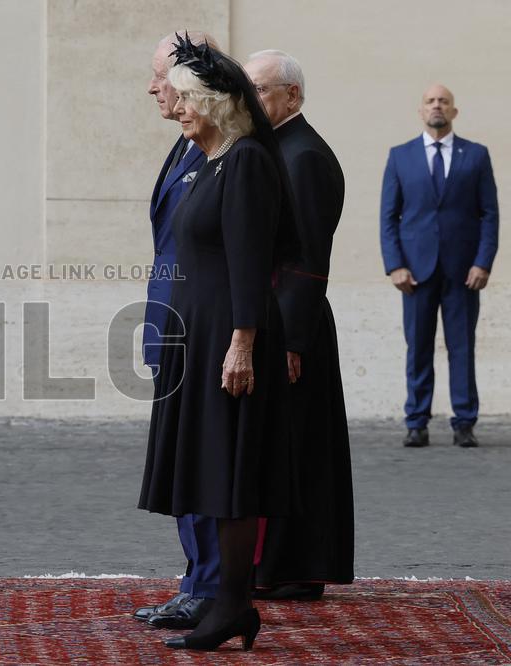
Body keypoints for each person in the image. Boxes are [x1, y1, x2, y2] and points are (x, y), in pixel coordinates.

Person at [139, 34, 299, 651]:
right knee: (212, 469)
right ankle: (225, 603)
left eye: (186, 100)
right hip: (197, 336)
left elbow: (252, 262)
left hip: (231, 340)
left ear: (216, 103)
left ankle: (232, 604)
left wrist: (242, 344)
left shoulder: (248, 161)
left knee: (233, 474)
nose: (177, 110)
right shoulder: (209, 161)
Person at [244, 50, 354, 600]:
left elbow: (308, 257)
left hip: (294, 325)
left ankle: (290, 568)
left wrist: (290, 338)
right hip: (278, 319)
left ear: (292, 96)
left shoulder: (303, 155)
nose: (253, 99)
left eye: (261, 90)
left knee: (296, 450)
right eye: (249, 89)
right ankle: (273, 566)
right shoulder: (276, 148)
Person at [132, 30, 217, 632]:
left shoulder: (221, 150)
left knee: (203, 460)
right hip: (172, 321)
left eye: (162, 77)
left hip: (202, 327)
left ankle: (210, 585)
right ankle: (197, 578)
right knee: (182, 461)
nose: (153, 88)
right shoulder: (185, 147)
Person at [380, 84, 499, 448]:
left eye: (443, 102)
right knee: (418, 347)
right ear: (421, 111)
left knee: (462, 347)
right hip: (415, 273)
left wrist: (483, 262)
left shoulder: (476, 156)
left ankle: (464, 421)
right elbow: (389, 216)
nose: (437, 106)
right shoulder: (401, 156)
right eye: (431, 101)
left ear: (454, 112)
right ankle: (417, 420)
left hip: (464, 272)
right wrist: (395, 265)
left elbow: (489, 215)